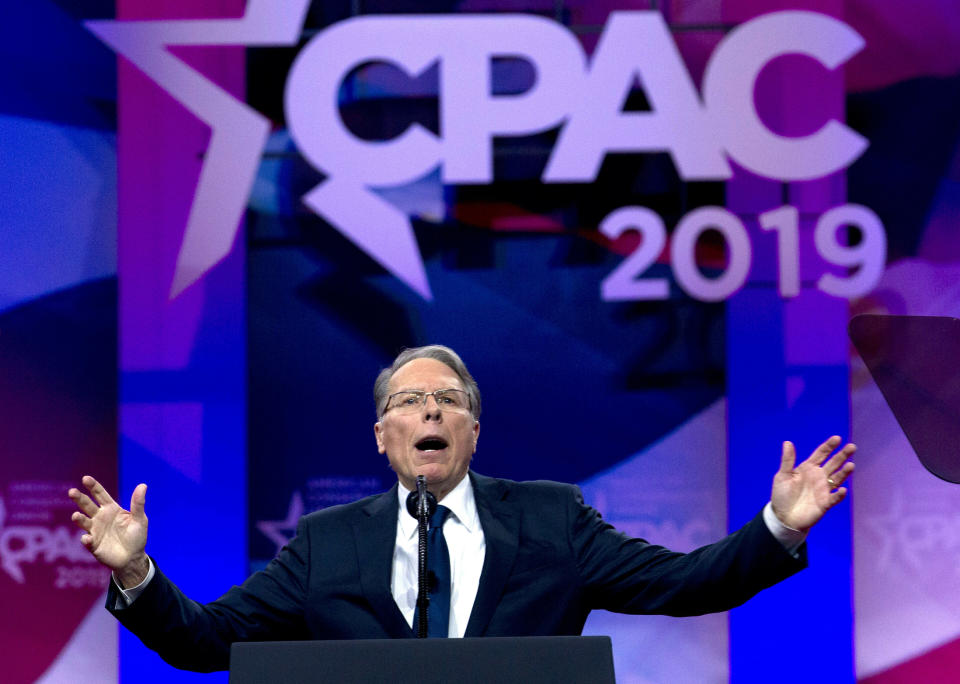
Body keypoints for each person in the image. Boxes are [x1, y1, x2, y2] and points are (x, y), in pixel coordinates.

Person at [68, 345, 855, 672]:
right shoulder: (326, 542)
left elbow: (686, 585)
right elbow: (208, 644)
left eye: (449, 401)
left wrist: (778, 525)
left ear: (474, 430)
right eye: (411, 402)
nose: (432, 414)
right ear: (383, 436)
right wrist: (136, 571)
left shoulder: (552, 519)